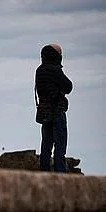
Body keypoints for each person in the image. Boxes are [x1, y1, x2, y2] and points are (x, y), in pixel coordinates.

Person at [35, 43, 73, 172]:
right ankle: (60, 173)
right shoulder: (56, 70)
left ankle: (44, 171)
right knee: (60, 144)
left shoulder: (39, 70)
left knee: (46, 144)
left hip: (44, 111)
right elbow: (68, 86)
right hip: (57, 110)